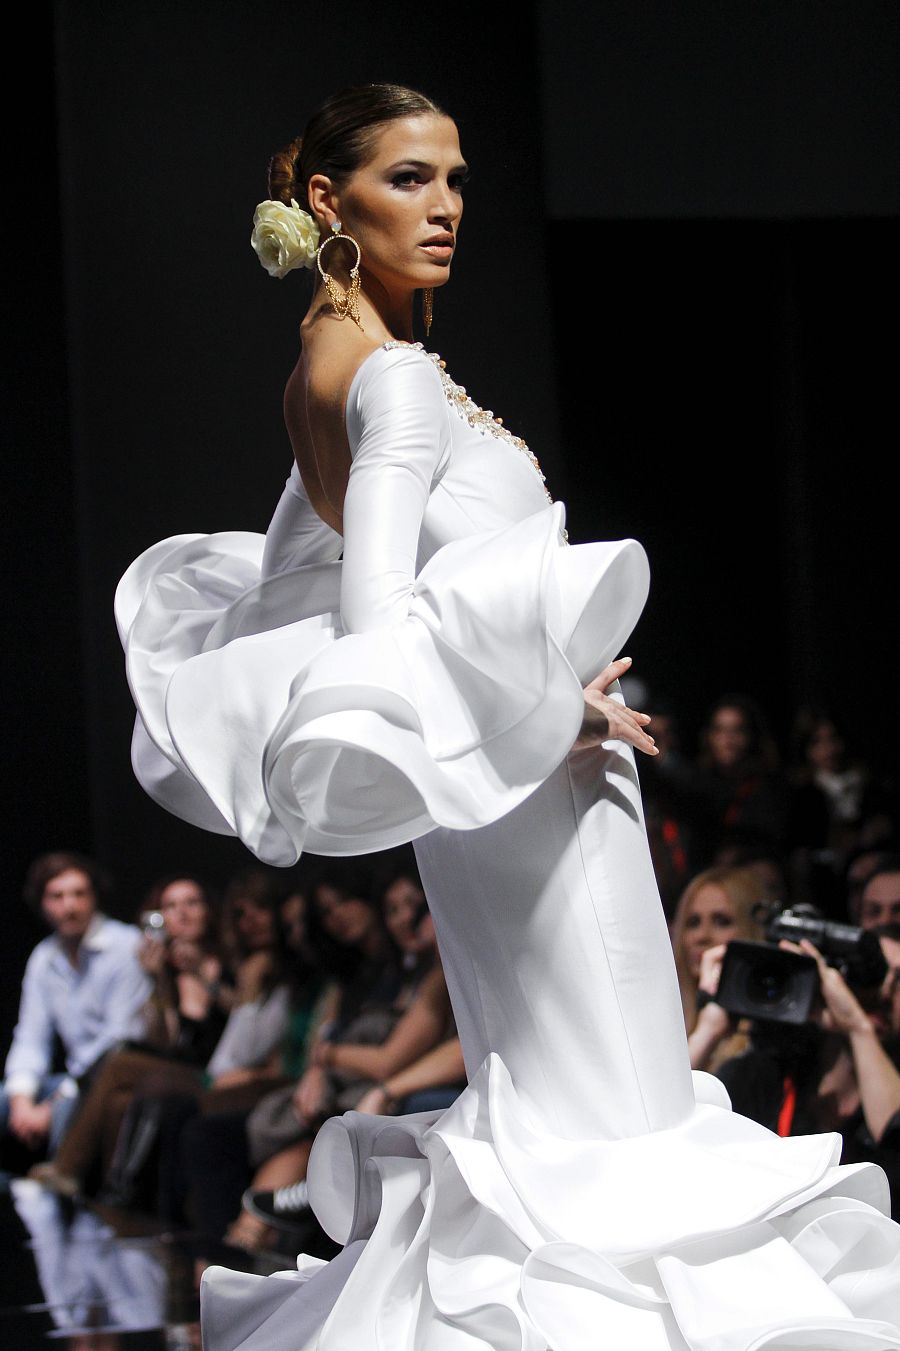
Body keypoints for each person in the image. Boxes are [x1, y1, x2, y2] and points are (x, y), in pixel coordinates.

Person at [115, 84, 900, 1349]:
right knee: (618, 1121)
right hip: (538, 798)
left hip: (487, 803)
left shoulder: (321, 374)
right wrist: (553, 698)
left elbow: (296, 601)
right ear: (327, 201)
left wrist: (525, 693)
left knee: (566, 1117)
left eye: (459, 179)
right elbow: (375, 621)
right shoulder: (398, 380)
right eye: (411, 179)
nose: (447, 209)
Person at [1, 851, 150, 1160]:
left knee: (68, 1107)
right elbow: (31, 1037)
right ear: (42, 903)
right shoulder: (46, 957)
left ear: (94, 898)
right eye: (57, 896)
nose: (69, 906)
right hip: (70, 1079)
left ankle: (62, 1199)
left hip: (109, 1077)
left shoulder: (125, 946)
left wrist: (53, 1103)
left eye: (79, 894)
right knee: (5, 1098)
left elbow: (118, 1041)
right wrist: (21, 1100)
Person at [669, 865, 768, 1072]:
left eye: (722, 921)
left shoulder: (763, 1041)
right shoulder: (665, 1029)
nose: (702, 936)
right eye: (693, 922)